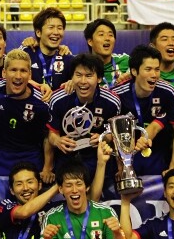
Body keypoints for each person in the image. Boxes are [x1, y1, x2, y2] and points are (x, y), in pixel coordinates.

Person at [46, 53, 121, 186]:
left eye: (89, 75)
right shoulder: (58, 99)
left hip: (97, 159)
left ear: (99, 78)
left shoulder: (112, 102)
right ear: (72, 77)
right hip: (66, 160)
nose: (83, 81)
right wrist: (58, 141)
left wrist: (103, 137)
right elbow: (52, 134)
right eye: (78, 75)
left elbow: (115, 135)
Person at [41, 159, 126, 239]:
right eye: (69, 185)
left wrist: (117, 234)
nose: (74, 190)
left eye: (79, 184)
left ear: (87, 187)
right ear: (61, 189)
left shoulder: (106, 212)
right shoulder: (52, 217)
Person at [112, 46, 174, 176]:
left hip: (158, 155)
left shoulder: (168, 92)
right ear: (134, 71)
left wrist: (173, 167)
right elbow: (112, 133)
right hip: (125, 156)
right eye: (148, 69)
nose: (154, 75)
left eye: (157, 69)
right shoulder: (118, 95)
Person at [0, 162, 60, 239]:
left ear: (39, 185)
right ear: (11, 190)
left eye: (30, 182)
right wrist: (57, 186)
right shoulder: (5, 205)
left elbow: (87, 202)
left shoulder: (53, 210)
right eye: (19, 184)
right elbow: (24, 212)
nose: (25, 188)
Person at [22, 7, 72, 99]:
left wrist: (74, 82)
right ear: (38, 32)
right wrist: (34, 85)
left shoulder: (68, 58)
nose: (56, 32)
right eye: (51, 27)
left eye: (60, 28)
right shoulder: (26, 55)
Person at [85, 18, 128, 88]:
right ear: (90, 41)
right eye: (101, 34)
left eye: (110, 35)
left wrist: (132, 75)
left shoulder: (125, 61)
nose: (107, 38)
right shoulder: (82, 66)